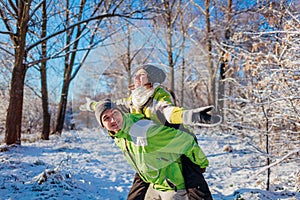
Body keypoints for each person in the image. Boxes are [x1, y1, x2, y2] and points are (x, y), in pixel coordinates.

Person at [80, 64, 220, 199]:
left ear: (151, 79)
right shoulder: (134, 98)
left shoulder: (159, 95)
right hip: (148, 146)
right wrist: (91, 105)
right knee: (139, 186)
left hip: (173, 139)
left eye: (141, 75)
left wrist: (190, 115)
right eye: (135, 75)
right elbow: (110, 105)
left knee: (194, 183)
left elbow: (168, 111)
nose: (136, 78)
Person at [94, 99, 211, 200]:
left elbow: (185, 140)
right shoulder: (119, 136)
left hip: (172, 188)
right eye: (106, 118)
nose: (113, 120)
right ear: (103, 125)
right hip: (153, 184)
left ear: (121, 113)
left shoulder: (143, 130)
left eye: (115, 113)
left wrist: (201, 163)